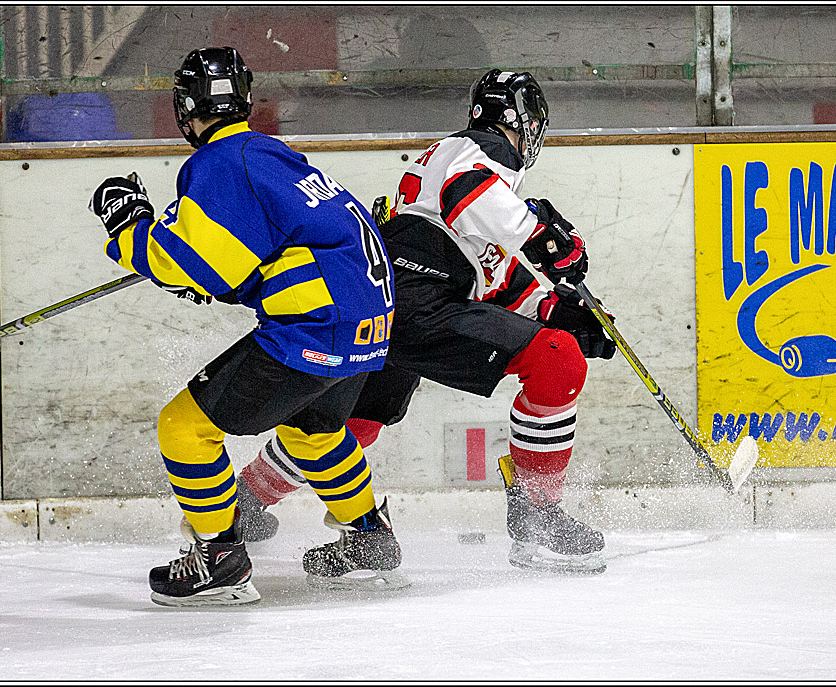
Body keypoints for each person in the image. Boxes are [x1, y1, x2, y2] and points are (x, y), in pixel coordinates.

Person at [237, 69, 617, 574]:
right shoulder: (483, 150)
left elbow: (496, 281)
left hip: (379, 299)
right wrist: (544, 239)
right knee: (557, 362)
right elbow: (470, 191)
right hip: (420, 296)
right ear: (524, 124)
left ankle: (245, 502)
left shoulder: (455, 179)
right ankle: (537, 516)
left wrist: (559, 311)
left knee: (352, 425)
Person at [88, 46, 405, 606]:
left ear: (185, 107)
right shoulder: (271, 155)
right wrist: (220, 281)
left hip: (315, 328)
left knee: (183, 428)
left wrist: (126, 224)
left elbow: (187, 263)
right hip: (370, 326)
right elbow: (260, 257)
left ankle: (219, 560)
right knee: (314, 432)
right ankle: (370, 538)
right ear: (246, 101)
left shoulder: (220, 162)